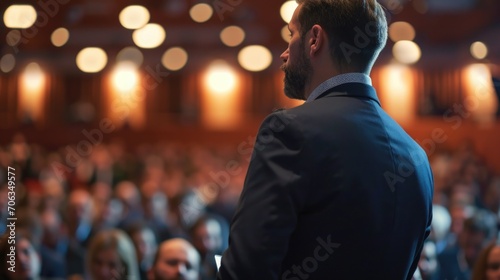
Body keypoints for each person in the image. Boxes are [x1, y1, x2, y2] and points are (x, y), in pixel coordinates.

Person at [217, 1, 434, 279]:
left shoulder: (289, 129)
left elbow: (246, 270)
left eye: (290, 35)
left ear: (315, 39)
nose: (284, 54)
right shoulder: (417, 155)